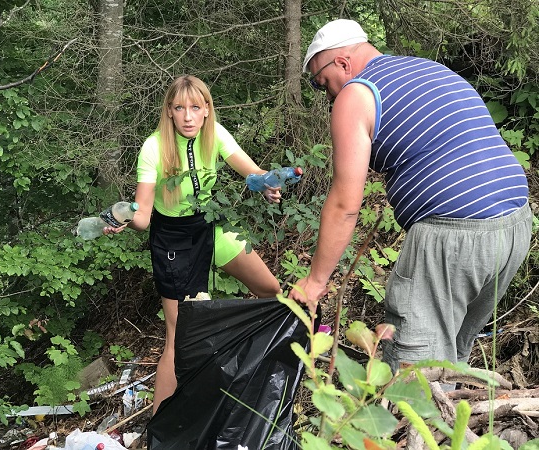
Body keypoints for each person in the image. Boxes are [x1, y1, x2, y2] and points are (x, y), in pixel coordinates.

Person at [289, 19, 533, 374]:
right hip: (514, 228)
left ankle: (411, 426)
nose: (326, 95)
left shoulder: (355, 95)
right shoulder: (425, 68)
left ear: (341, 62)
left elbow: (344, 205)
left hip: (454, 235)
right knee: (449, 360)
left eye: (321, 82)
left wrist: (315, 282)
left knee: (414, 373)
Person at [107, 75, 281, 414]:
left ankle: (254, 368)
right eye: (180, 108)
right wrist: (123, 217)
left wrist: (268, 184)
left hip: (210, 227)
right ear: (169, 112)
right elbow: (143, 217)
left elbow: (253, 173)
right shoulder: (154, 147)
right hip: (173, 240)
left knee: (271, 291)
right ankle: (159, 428)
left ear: (206, 111)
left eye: (195, 108)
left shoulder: (214, 136)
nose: (188, 116)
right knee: (178, 337)